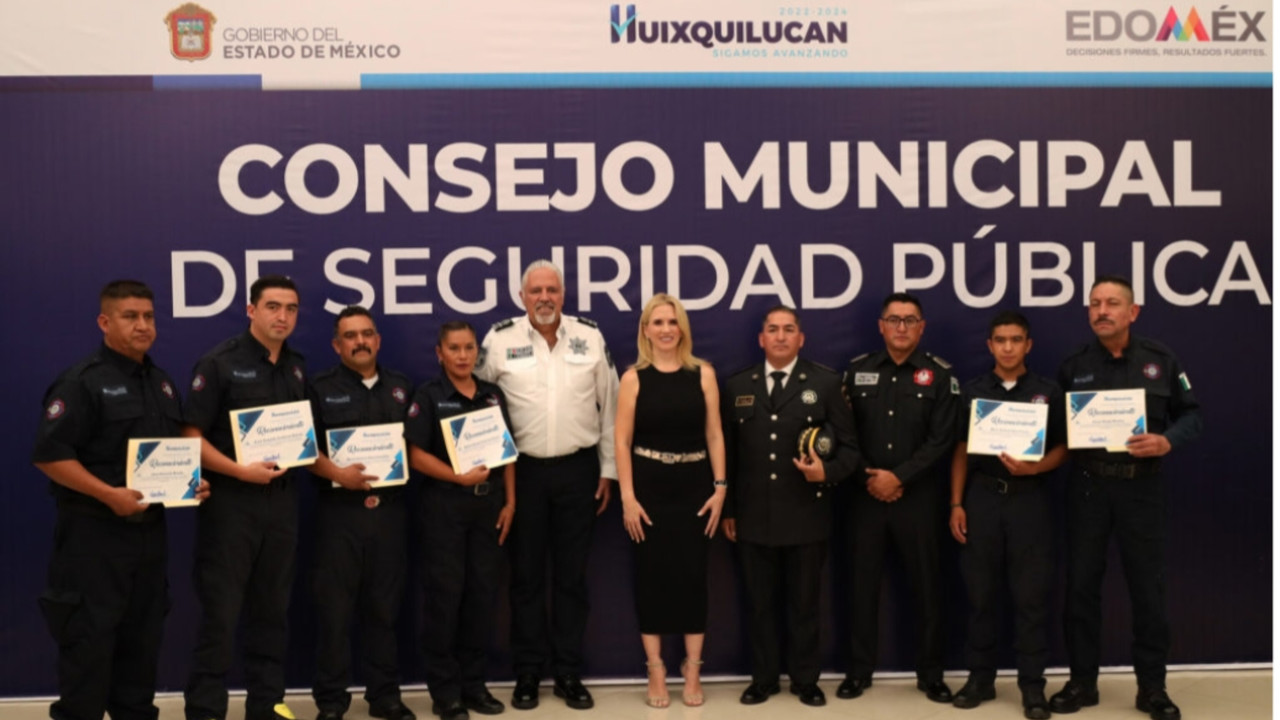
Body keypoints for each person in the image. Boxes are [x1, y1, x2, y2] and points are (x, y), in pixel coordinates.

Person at [33, 280, 209, 720]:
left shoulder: (163, 383)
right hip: (93, 536)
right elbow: (50, 456)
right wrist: (108, 495)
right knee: (89, 644)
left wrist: (193, 483)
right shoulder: (82, 382)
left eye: (148, 316)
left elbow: (171, 454)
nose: (142, 325)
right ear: (104, 322)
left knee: (142, 640)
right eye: (130, 317)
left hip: (149, 535)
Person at [1049, 276, 1201, 720]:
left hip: (1142, 487)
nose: (1101, 311)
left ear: (1132, 312)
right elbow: (1056, 431)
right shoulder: (1072, 366)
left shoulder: (1161, 359)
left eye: (1112, 303)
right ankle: (1082, 684)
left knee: (1148, 591)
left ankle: (1152, 688)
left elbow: (1193, 415)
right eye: (1094, 304)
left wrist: (1168, 441)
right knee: (1080, 588)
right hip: (1089, 487)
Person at [474, 260, 618, 711]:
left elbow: (610, 405)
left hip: (579, 471)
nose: (544, 298)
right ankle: (529, 673)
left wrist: (608, 469)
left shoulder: (589, 337)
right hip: (523, 475)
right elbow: (475, 402)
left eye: (552, 289)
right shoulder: (499, 340)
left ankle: (569, 673)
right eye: (535, 290)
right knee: (526, 579)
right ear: (522, 297)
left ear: (563, 294)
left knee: (572, 579)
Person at [182, 274, 309, 720]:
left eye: (291, 308)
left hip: (282, 504)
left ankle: (268, 706)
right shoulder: (219, 363)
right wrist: (239, 470)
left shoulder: (296, 366)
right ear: (251, 310)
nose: (283, 316)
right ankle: (205, 710)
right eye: (273, 307)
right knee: (221, 612)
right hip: (231, 506)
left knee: (272, 610)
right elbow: (190, 437)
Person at [720, 306, 860, 708]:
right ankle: (763, 679)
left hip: (806, 514)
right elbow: (727, 455)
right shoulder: (738, 385)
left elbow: (850, 450)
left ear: (802, 338)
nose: (780, 337)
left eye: (789, 330)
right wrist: (729, 508)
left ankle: (805, 679)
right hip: (752, 515)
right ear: (761, 339)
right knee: (759, 604)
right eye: (773, 330)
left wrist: (827, 473)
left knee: (804, 604)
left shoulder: (827, 383)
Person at [840, 292, 958, 704]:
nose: (902, 327)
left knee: (927, 589)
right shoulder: (855, 373)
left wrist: (899, 477)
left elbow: (942, 439)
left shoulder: (940, 376)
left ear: (922, 327)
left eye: (910, 320)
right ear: (881, 326)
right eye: (894, 319)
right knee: (861, 588)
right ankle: (858, 672)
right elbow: (843, 435)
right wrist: (871, 478)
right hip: (864, 497)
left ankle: (931, 674)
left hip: (918, 498)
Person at [948, 311, 1067, 719]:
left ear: (1028, 345)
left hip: (1029, 500)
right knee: (980, 595)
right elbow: (961, 449)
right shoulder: (973, 391)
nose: (1009, 347)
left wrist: (1035, 467)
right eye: (1001, 340)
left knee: (1030, 598)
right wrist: (957, 503)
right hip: (982, 499)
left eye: (1016, 340)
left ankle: (1032, 687)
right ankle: (980, 680)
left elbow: (1063, 449)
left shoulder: (1048, 391)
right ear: (990, 345)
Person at [614, 294, 727, 708]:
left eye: (672, 321)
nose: (665, 329)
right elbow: (622, 442)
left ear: (682, 328)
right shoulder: (633, 378)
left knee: (693, 578)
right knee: (652, 579)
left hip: (695, 489)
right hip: (648, 490)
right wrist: (627, 496)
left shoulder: (704, 374)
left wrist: (720, 488)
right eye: (657, 322)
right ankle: (657, 669)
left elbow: (715, 434)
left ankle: (693, 668)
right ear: (645, 330)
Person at [306, 307, 417, 720]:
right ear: (337, 345)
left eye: (367, 333)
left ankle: (384, 697)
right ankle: (332, 703)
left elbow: (417, 448)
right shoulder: (318, 388)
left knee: (384, 611)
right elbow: (302, 449)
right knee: (334, 614)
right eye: (350, 336)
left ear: (378, 339)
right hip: (339, 516)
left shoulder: (402, 387)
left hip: (389, 514)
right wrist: (336, 472)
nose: (360, 342)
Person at [406, 321, 517, 720]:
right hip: (445, 509)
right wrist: (457, 476)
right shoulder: (429, 396)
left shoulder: (492, 395)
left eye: (469, 348)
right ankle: (445, 692)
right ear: (440, 353)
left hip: (489, 509)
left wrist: (511, 503)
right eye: (454, 348)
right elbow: (415, 455)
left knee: (481, 599)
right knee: (445, 599)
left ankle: (474, 686)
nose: (463, 355)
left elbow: (507, 452)